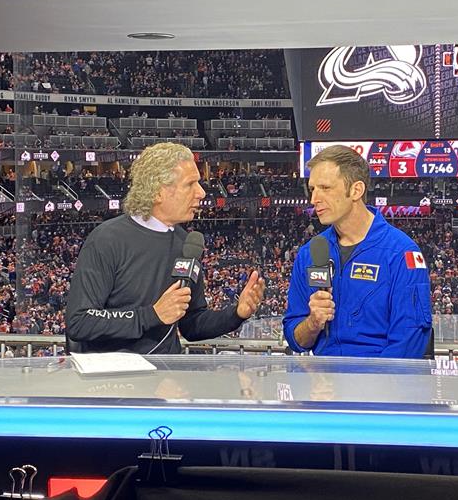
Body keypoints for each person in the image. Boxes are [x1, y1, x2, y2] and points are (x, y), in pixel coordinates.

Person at [66, 142, 265, 354]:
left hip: (167, 379)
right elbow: (80, 321)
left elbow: (191, 324)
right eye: (190, 184)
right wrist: (151, 315)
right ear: (159, 192)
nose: (201, 193)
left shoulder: (187, 244)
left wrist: (236, 313)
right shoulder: (107, 240)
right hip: (115, 380)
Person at [283, 145, 431, 357]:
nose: (314, 199)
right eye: (312, 188)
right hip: (324, 383)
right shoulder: (311, 253)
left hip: (380, 385)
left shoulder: (401, 253)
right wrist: (313, 323)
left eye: (325, 188)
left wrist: (362, 385)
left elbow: (408, 344)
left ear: (356, 190)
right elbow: (295, 339)